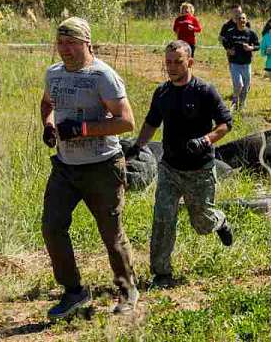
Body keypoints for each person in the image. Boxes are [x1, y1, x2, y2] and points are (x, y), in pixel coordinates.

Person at [40, 17, 138, 319]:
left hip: (102, 167)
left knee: (111, 233)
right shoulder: (53, 73)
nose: (65, 49)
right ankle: (74, 292)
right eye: (61, 43)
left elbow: (126, 121)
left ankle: (127, 288)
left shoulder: (102, 76)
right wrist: (48, 125)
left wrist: (82, 129)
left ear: (87, 43)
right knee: (52, 227)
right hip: (66, 167)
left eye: (72, 43)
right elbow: (46, 103)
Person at [129, 41, 234, 289]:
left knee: (202, 223)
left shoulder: (205, 91)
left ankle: (219, 221)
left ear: (190, 62)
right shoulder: (162, 93)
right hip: (170, 168)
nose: (172, 67)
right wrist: (136, 147)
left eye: (177, 61)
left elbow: (225, 124)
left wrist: (206, 140)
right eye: (168, 62)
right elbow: (151, 124)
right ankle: (162, 273)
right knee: (163, 219)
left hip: (200, 171)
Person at [221, 13, 259, 111]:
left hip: (246, 63)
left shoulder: (251, 33)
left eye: (243, 18)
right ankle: (234, 101)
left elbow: (258, 46)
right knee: (239, 84)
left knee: (246, 86)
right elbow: (224, 41)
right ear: (236, 20)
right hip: (235, 63)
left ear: (246, 20)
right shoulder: (231, 32)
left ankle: (241, 104)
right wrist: (228, 50)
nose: (241, 20)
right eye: (239, 18)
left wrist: (251, 48)